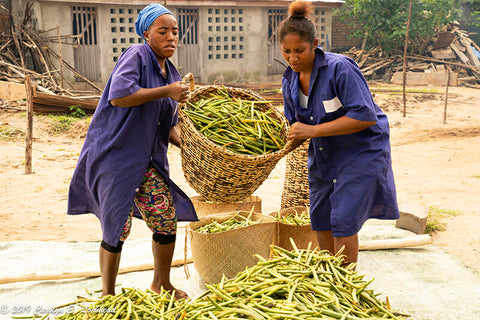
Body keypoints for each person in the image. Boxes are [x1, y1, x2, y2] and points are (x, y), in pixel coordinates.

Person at [67, 3, 198, 299]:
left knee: (165, 216)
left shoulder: (170, 72)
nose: (171, 37)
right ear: (146, 33)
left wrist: (189, 146)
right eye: (162, 31)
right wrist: (167, 91)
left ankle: (161, 284)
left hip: (148, 160)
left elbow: (166, 125)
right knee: (117, 225)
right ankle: (108, 295)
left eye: (175, 32)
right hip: (116, 156)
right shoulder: (137, 56)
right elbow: (120, 96)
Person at [278, 0, 399, 265]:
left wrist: (312, 129)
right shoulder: (289, 81)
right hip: (325, 153)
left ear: (316, 44)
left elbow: (364, 115)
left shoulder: (339, 68)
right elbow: (295, 129)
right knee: (320, 215)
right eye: (287, 51)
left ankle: (345, 286)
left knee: (343, 218)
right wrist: (271, 151)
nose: (293, 58)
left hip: (360, 151)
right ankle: (328, 277)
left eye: (300, 50)